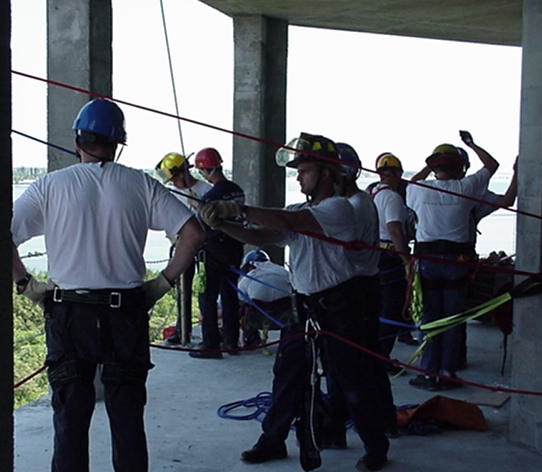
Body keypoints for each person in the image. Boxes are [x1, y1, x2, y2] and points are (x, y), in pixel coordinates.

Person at [11, 98, 204, 472]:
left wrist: (26, 284)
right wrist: (162, 283)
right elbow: (193, 233)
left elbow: (1, 235)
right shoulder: (139, 184)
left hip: (70, 314)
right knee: (127, 419)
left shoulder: (50, 186)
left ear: (78, 140)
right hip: (125, 314)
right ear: (117, 144)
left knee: (70, 421)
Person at [199, 133, 391, 471]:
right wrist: (227, 226)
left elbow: (287, 222)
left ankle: (376, 445)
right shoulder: (301, 210)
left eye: (304, 170)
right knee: (287, 374)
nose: (299, 176)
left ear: (327, 173)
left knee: (352, 378)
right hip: (305, 304)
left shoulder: (339, 209)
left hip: (340, 305)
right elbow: (264, 235)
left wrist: (238, 209)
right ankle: (272, 439)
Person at [406, 130, 498, 391]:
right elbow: (492, 166)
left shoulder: (419, 189)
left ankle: (428, 372)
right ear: (460, 167)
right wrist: (471, 144)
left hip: (428, 261)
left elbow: (411, 183)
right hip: (457, 263)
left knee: (429, 319)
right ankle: (447, 371)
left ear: (434, 168)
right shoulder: (466, 187)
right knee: (453, 318)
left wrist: (429, 164)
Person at [189, 147, 245, 359]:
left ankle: (211, 344)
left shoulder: (211, 196)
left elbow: (204, 223)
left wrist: (197, 204)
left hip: (214, 250)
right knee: (229, 295)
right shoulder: (237, 189)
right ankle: (232, 342)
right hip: (235, 247)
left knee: (207, 297)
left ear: (205, 170)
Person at [155, 152, 212, 345]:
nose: (174, 183)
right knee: (182, 290)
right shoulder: (173, 193)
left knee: (206, 292)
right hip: (181, 246)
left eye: (175, 179)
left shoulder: (206, 190)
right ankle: (182, 331)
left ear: (183, 173)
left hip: (205, 248)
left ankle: (209, 334)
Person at [369, 153, 414, 372]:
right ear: (397, 174)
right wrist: (407, 260)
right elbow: (395, 229)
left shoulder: (373, 193)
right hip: (390, 257)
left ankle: (376, 355)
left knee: (381, 308)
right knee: (391, 309)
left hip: (377, 255)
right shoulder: (393, 198)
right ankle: (382, 357)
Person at [237, 249, 293, 347]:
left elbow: (237, 299)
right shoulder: (284, 272)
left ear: (249, 266)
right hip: (285, 318)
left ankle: (251, 339)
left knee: (241, 306)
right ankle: (290, 340)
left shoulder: (248, 278)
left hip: (258, 319)